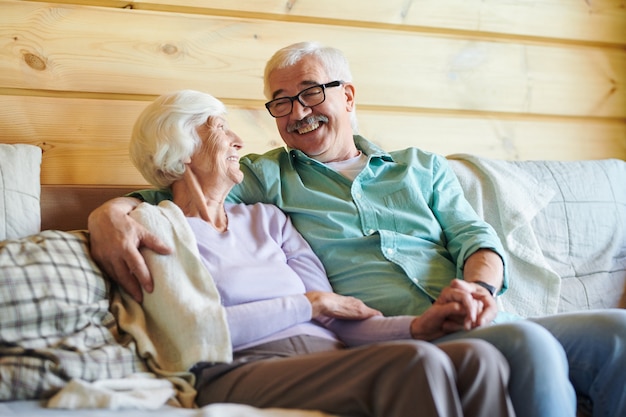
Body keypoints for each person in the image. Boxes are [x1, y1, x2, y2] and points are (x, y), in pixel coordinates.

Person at [88, 42, 626, 417]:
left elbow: (477, 241)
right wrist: (106, 214)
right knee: (524, 345)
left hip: (471, 312)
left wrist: (479, 289)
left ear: (348, 95)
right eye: (280, 102)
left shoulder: (419, 168)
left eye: (310, 93)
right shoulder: (267, 177)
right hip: (360, 340)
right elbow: (172, 193)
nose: (296, 113)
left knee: (616, 334)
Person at [121, 88, 515, 417]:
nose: (238, 141)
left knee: (478, 358)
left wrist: (418, 327)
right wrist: (308, 304)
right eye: (220, 128)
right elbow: (194, 332)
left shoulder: (268, 219)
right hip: (241, 369)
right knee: (417, 362)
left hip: (331, 357)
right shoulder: (158, 227)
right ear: (183, 147)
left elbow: (337, 315)